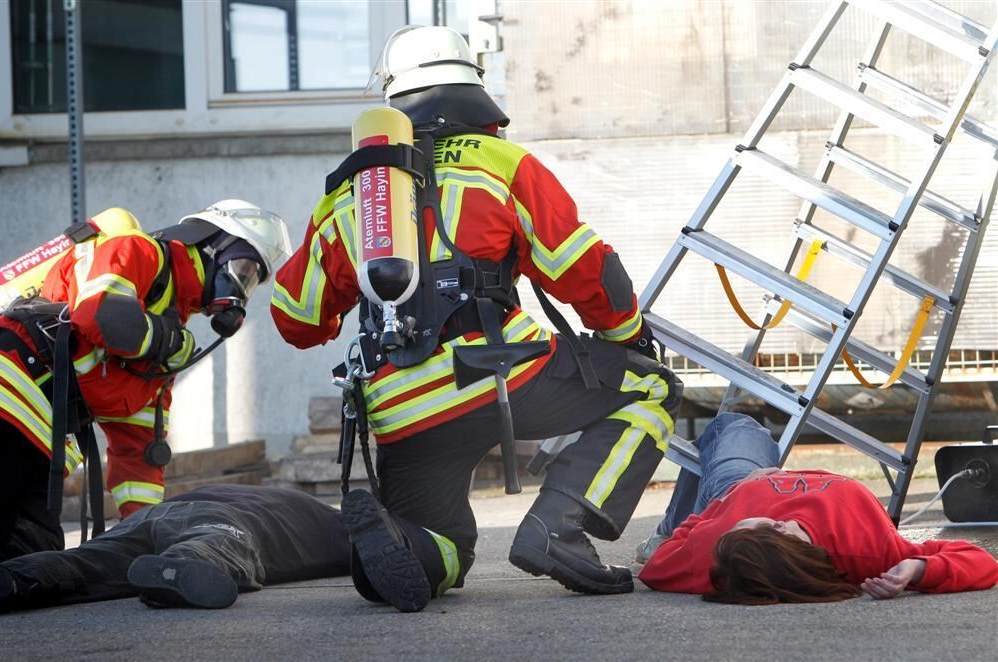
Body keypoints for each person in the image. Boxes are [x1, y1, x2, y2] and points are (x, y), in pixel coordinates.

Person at [272, 26, 681, 612]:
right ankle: (557, 528)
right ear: (473, 91)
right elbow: (586, 271)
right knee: (651, 388)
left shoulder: (354, 193)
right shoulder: (501, 162)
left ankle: (403, 550)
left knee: (443, 546)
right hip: (498, 375)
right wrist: (626, 335)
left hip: (400, 406)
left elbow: (295, 317)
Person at [0, 200, 292, 565]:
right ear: (210, 244)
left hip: (37, 438)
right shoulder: (139, 250)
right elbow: (102, 313)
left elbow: (138, 451)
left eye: (252, 280)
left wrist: (145, 534)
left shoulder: (170, 337)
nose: (241, 287)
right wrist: (164, 340)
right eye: (243, 268)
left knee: (30, 554)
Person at [637, 413, 998, 603]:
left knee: (733, 425)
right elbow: (984, 564)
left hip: (734, 485)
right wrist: (918, 569)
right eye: (753, 526)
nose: (741, 523)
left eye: (736, 527)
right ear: (781, 533)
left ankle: (671, 525)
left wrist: (712, 512)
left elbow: (655, 570)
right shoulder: (868, 553)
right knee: (744, 434)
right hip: (753, 491)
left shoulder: (718, 550)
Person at [0, 484, 350, 615]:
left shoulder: (296, 505)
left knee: (83, 561)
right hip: (221, 517)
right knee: (220, 545)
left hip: (154, 514)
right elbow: (389, 540)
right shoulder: (334, 525)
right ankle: (176, 568)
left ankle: (11, 578)